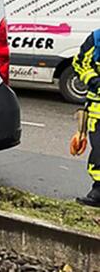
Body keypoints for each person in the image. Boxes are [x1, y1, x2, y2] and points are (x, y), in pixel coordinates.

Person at [71, 29, 100, 207]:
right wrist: (94, 81)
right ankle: (98, 191)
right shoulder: (97, 38)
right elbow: (79, 63)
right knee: (99, 151)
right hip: (98, 111)